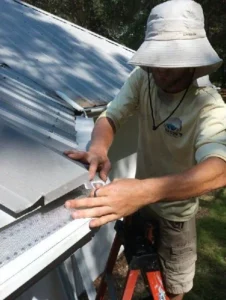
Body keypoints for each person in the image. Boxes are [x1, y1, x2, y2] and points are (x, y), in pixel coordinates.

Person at [64, 0, 226, 299]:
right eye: (157, 61)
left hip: (175, 213)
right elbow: (111, 115)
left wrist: (145, 191)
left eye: (172, 62)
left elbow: (219, 169)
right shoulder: (143, 77)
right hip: (139, 199)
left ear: (194, 61)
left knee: (175, 286)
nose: (161, 72)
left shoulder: (209, 104)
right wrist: (99, 147)